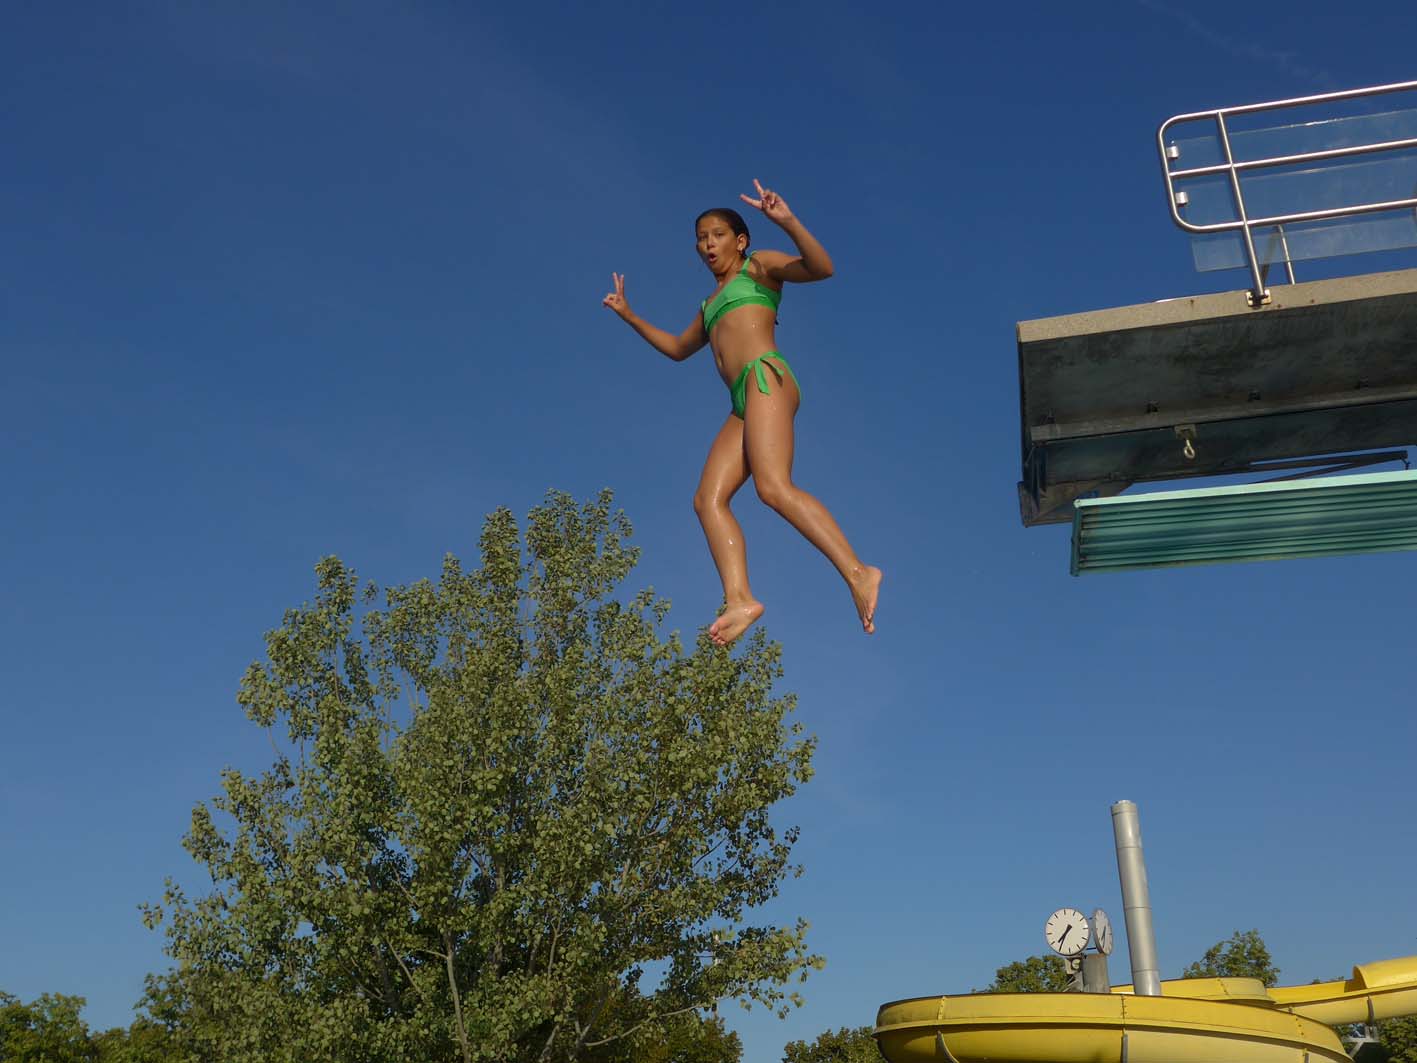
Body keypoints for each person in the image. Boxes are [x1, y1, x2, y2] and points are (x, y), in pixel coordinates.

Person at [602, 179, 882, 646]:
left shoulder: (759, 268)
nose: (708, 244)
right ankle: (740, 599)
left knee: (773, 488)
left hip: (764, 376)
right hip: (741, 401)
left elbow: (822, 268)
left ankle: (858, 571)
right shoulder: (709, 304)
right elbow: (677, 348)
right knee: (707, 500)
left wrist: (787, 221)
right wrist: (630, 316)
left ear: (740, 240)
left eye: (717, 235)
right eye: (701, 238)